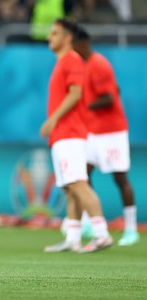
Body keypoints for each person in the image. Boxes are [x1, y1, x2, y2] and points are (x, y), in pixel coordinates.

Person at [40, 18, 112, 254]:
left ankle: (101, 233)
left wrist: (53, 119)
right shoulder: (62, 62)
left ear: (67, 38)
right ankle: (73, 237)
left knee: (78, 183)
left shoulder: (71, 60)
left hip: (70, 132)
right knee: (70, 188)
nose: (50, 37)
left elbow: (76, 93)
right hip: (65, 134)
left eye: (55, 33)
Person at [72, 27, 139, 246]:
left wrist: (83, 105)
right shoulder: (84, 65)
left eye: (74, 44)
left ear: (82, 43)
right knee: (84, 174)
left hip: (112, 131)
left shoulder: (99, 63)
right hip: (93, 130)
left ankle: (131, 229)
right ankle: (90, 222)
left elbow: (109, 98)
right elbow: (116, 90)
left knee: (120, 178)